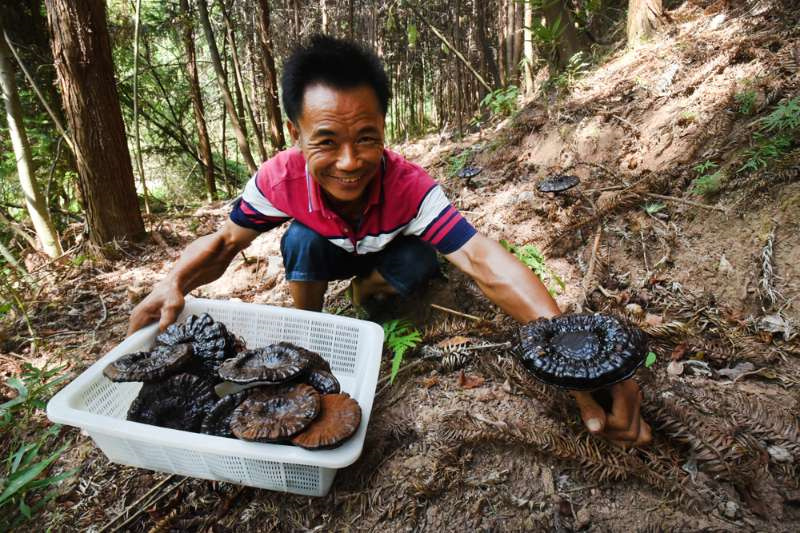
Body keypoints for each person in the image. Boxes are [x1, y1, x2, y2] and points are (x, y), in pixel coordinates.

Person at [128, 35, 651, 448]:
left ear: (384, 127)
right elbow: (223, 244)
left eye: (367, 138)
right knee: (301, 241)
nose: (350, 162)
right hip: (328, 249)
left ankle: (368, 294)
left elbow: (481, 258)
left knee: (424, 253)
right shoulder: (277, 180)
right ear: (296, 132)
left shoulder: (411, 187)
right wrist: (172, 281)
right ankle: (310, 334)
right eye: (327, 142)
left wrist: (574, 354)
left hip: (385, 251)